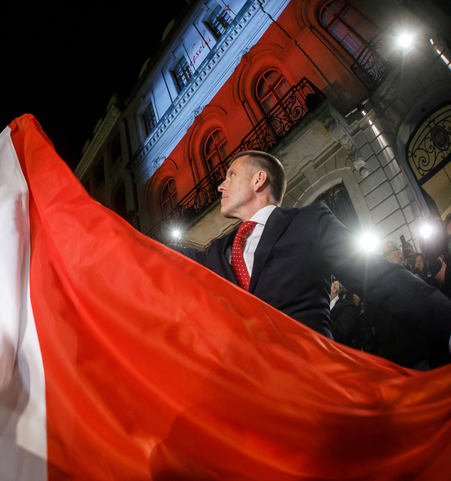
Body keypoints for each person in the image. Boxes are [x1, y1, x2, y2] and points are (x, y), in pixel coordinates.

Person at [174, 150, 451, 361]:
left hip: (315, 386)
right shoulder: (218, 252)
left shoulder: (309, 222)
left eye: (231, 175)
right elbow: (159, 257)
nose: (220, 186)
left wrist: (446, 323)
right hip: (254, 402)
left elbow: (379, 278)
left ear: (259, 179)